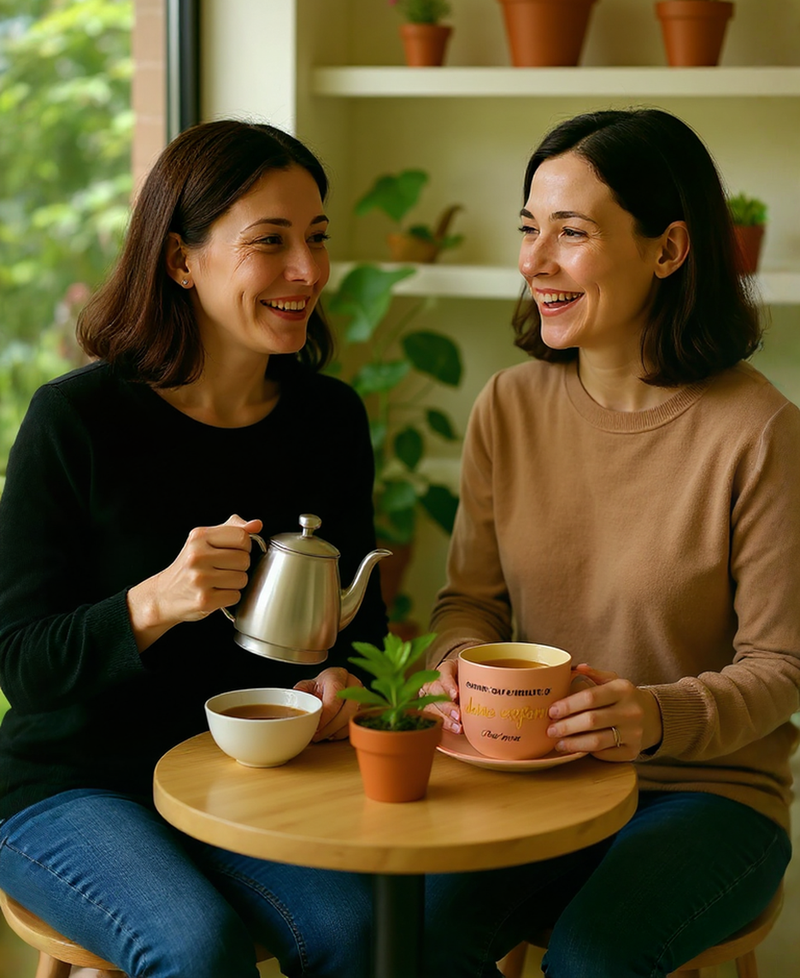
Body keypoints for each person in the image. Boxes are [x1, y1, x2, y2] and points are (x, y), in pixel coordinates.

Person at [0, 119, 387, 978]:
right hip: (77, 783)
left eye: (318, 238)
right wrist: (155, 601)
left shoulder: (328, 420)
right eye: (271, 241)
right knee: (195, 944)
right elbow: (20, 662)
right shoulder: (76, 421)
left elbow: (362, 632)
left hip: (244, 777)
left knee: (363, 928)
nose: (308, 270)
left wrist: (343, 682)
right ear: (181, 259)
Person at [421, 109, 799, 978]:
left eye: (572, 232)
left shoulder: (760, 430)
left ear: (668, 250)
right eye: (529, 228)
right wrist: (458, 666)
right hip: (534, 779)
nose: (534, 261)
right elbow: (467, 603)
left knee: (595, 954)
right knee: (406, 927)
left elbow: (781, 664)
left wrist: (654, 716)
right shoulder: (507, 407)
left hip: (708, 793)